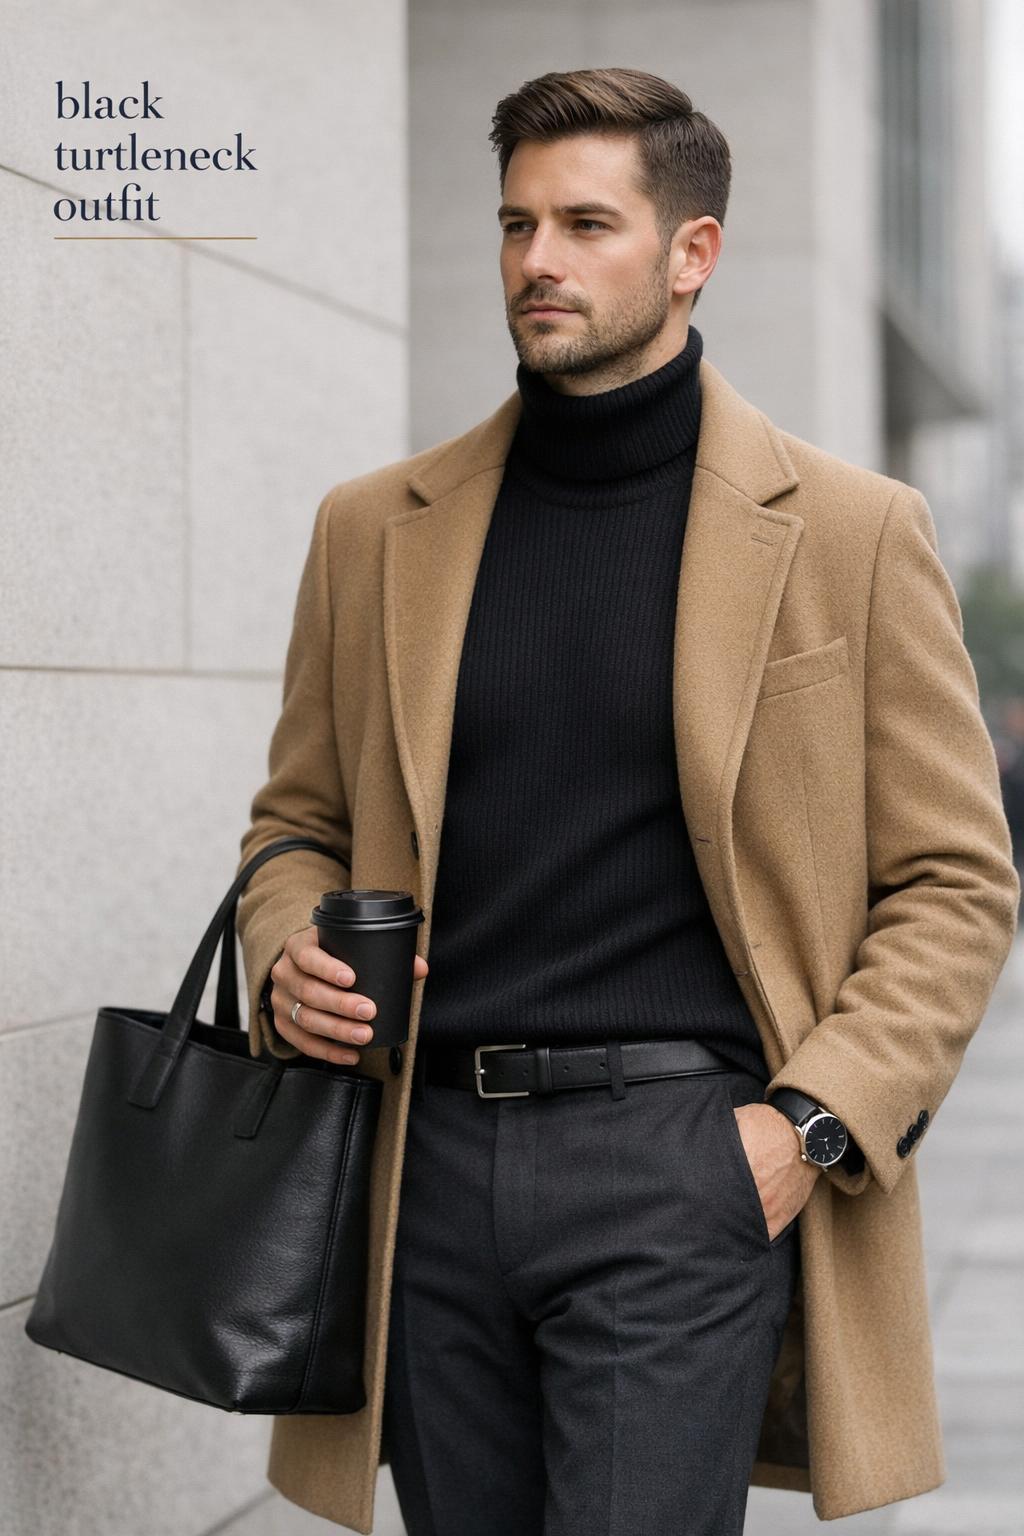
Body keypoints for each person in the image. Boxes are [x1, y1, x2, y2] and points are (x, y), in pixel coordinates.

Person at [235, 67, 1020, 1534]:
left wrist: (810, 1130)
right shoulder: (373, 532)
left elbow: (958, 883)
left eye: (587, 223)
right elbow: (297, 819)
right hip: (426, 1162)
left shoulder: (852, 533)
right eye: (518, 224)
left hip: (684, 1161)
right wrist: (290, 941)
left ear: (690, 253)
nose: (538, 261)